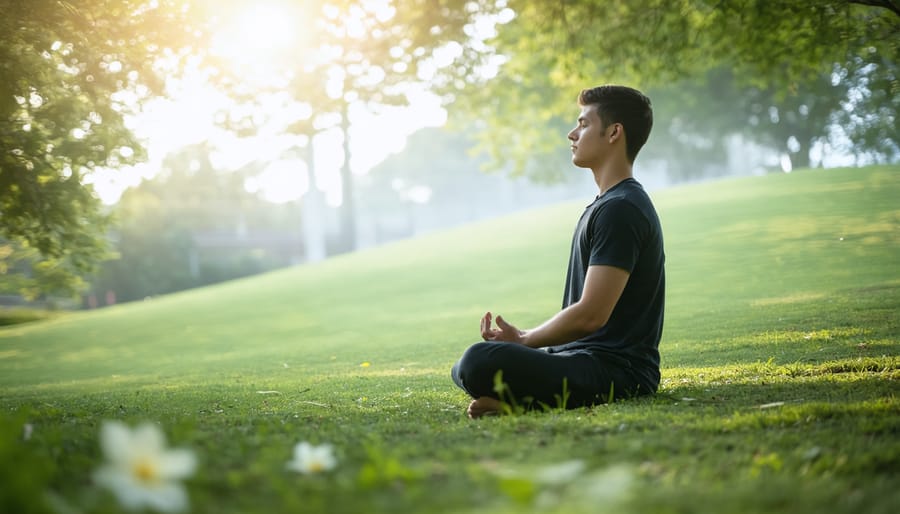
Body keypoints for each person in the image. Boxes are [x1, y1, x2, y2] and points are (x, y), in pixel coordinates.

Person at [451, 85, 665, 418]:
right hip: (578, 359)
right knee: (468, 363)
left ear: (613, 132)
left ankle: (526, 401)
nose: (572, 133)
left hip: (620, 372)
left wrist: (525, 341)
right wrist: (520, 338)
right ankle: (524, 399)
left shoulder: (622, 209)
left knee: (478, 362)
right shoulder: (606, 205)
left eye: (583, 124)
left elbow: (592, 314)